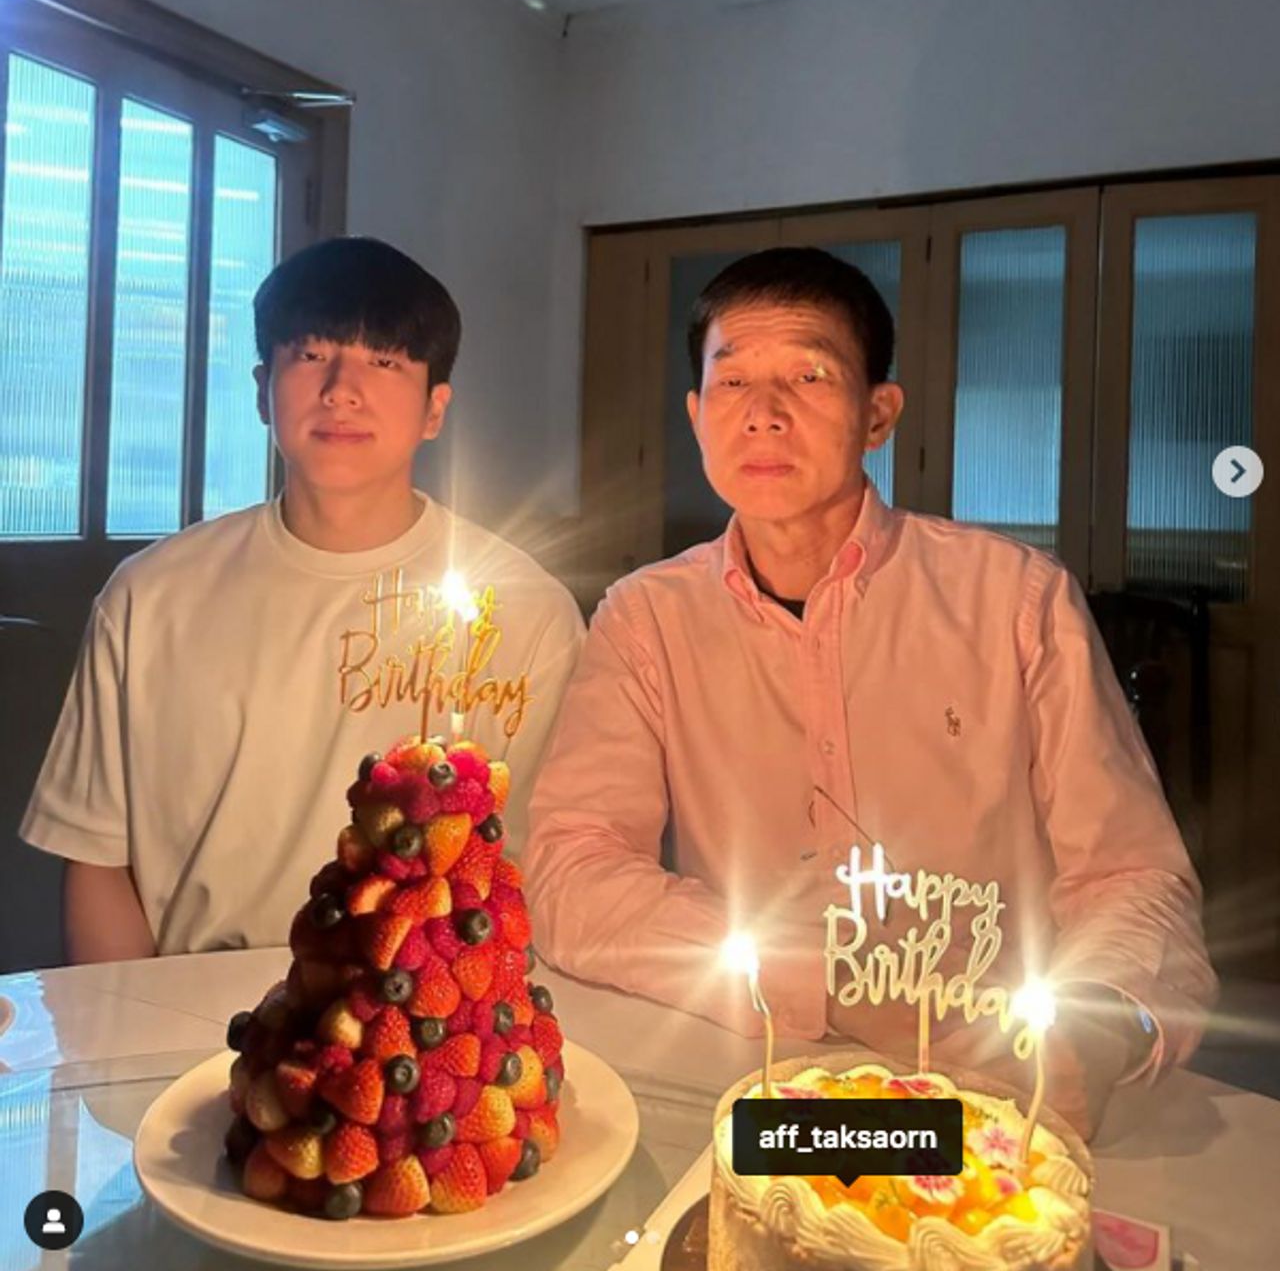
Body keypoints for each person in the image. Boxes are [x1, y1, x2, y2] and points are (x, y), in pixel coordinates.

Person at [526, 246, 1215, 1135]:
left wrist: (1095, 1026)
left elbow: (1132, 874)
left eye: (809, 375)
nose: (764, 414)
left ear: (879, 414)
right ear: (697, 415)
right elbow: (575, 873)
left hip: (998, 1092)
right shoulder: (646, 617)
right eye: (732, 383)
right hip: (755, 1079)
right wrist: (824, 978)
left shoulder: (1015, 600)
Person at [21, 236, 583, 963]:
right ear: (263, 391)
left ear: (435, 409)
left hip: (416, 1010)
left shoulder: (525, 613)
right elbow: (98, 857)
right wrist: (128, 1020)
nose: (341, 389)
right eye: (311, 354)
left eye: (384, 361)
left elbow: (538, 873)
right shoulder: (149, 597)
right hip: (186, 1004)